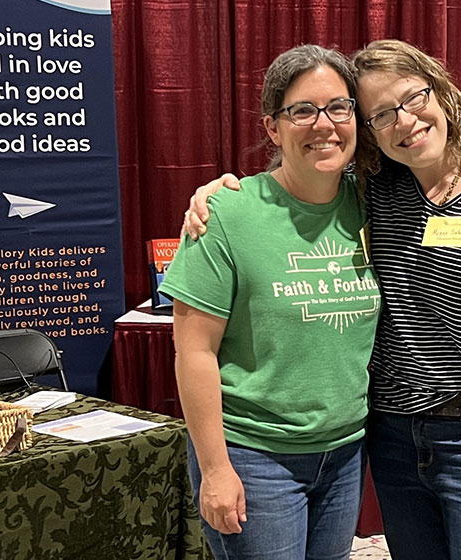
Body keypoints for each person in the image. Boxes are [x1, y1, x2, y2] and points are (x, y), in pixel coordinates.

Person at [184, 39, 461, 560]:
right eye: (382, 114)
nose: (405, 121)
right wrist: (215, 192)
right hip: (393, 439)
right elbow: (296, 178)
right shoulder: (378, 187)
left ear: (441, 91)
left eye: (413, 98)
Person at [160, 45, 379, 560]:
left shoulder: (371, 202)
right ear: (273, 128)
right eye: (302, 110)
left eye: (339, 107)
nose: (324, 124)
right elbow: (194, 352)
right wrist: (215, 469)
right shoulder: (227, 213)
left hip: (345, 452)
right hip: (254, 456)